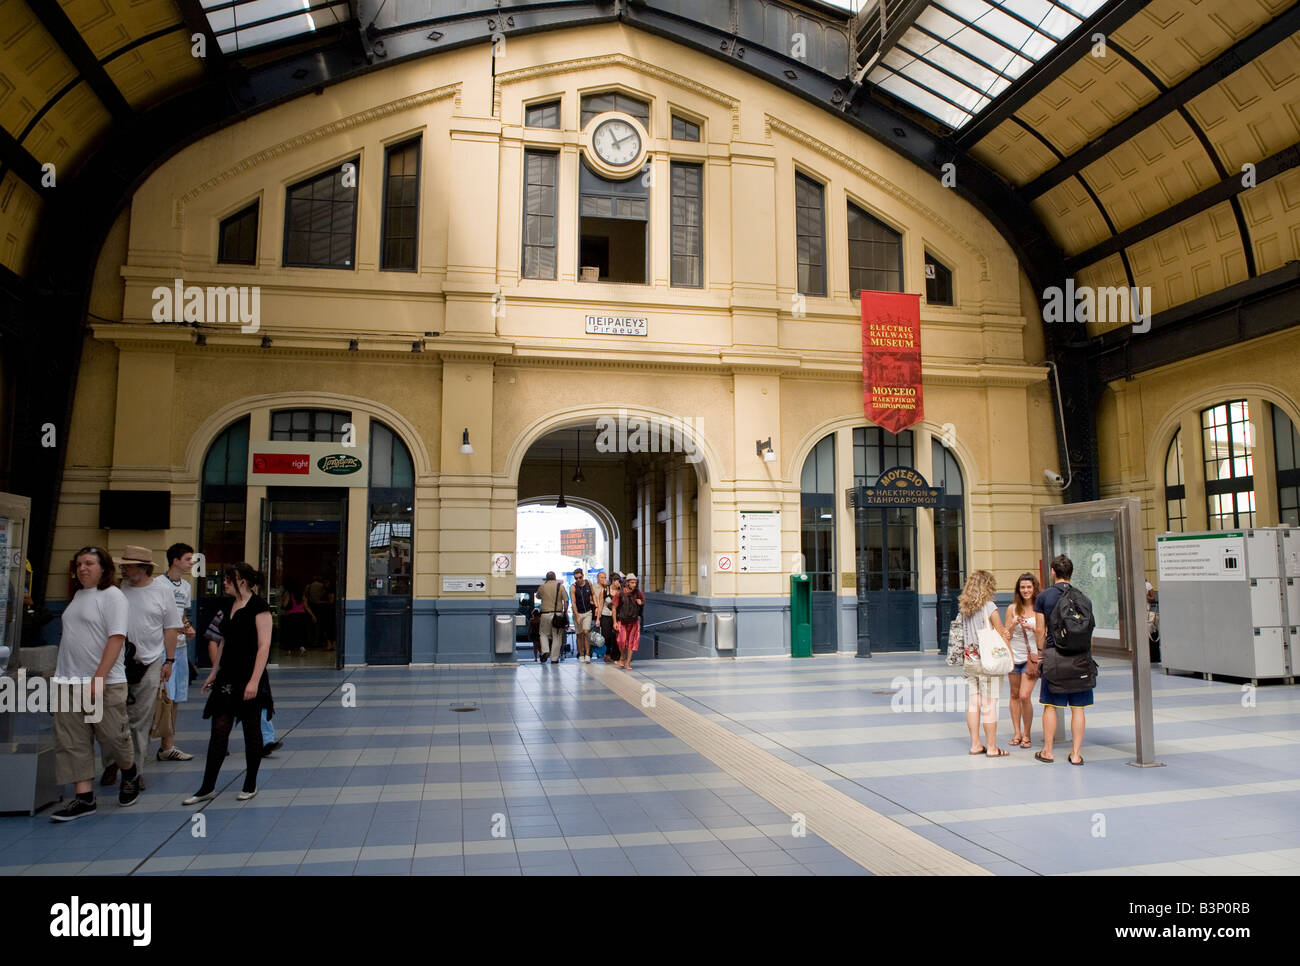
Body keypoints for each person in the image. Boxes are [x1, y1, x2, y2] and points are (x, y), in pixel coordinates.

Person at [49, 548, 140, 820]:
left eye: (89, 563)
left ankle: (130, 772)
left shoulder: (113, 597)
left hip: (104, 681)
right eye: (79, 564)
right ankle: (84, 797)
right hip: (69, 680)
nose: (82, 568)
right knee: (72, 741)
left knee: (113, 735)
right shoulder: (77, 596)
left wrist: (99, 676)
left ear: (104, 568)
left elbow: (116, 638)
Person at [185, 563, 273, 804]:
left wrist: (254, 681)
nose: (223, 582)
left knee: (251, 731)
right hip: (227, 677)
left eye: (228, 578)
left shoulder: (259, 607)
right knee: (218, 730)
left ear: (241, 581)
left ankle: (250, 783)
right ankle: (207, 787)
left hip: (249, 675)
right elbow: (224, 640)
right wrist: (214, 671)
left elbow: (264, 646)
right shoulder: (228, 605)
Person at [102, 545, 182, 793]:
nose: (124, 569)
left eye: (129, 565)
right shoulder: (114, 589)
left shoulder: (162, 591)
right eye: (123, 565)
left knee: (140, 720)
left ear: (144, 567)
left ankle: (134, 770)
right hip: (116, 662)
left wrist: (169, 660)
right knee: (111, 717)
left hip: (149, 661)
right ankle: (112, 762)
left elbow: (171, 627)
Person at [1034, 554, 1092, 765]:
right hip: (1079, 657)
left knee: (1050, 706)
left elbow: (1040, 629)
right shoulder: (1083, 597)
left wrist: (1041, 653)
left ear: (1053, 572)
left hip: (1054, 656)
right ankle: (1076, 754)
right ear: (1071, 573)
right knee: (1078, 708)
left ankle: (1047, 751)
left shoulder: (1044, 597)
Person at [206, 605, 281, 757]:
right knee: (226, 708)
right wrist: (218, 671)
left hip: (251, 670)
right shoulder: (224, 612)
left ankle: (266, 741)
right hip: (230, 672)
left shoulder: (258, 613)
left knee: (259, 704)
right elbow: (213, 642)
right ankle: (221, 742)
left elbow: (263, 645)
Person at [958, 569, 1011, 758]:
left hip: (970, 660)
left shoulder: (964, 608)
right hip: (988, 661)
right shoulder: (989, 606)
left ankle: (975, 744)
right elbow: (1002, 633)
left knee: (974, 702)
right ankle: (992, 748)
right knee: (989, 704)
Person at [154, 543, 197, 762]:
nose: (191, 563)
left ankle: (167, 745)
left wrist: (187, 627)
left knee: (177, 696)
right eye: (188, 559)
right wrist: (177, 628)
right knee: (164, 696)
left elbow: (182, 615)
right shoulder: (158, 585)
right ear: (175, 560)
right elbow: (157, 618)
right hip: (163, 649)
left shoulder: (186, 587)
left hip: (180, 649)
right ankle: (161, 743)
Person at [1004, 572, 1045, 749]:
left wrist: (1032, 627)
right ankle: (1017, 733)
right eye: (1022, 587)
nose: (1026, 590)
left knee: (1024, 695)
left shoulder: (1040, 609)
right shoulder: (1012, 609)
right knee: (1013, 695)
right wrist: (1012, 625)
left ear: (1034, 588)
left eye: (1029, 587)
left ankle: (1027, 734)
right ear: (1018, 590)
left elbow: (1044, 634)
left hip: (1032, 658)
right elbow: (1006, 635)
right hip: (1014, 657)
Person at [613, 573, 645, 669]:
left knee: (632, 642)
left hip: (634, 621)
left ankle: (628, 662)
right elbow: (614, 608)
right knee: (621, 640)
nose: (634, 584)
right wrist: (614, 622)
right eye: (632, 582)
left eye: (635, 582)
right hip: (622, 621)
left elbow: (643, 601)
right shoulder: (620, 593)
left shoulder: (638, 592)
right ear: (627, 583)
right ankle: (622, 658)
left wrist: (641, 602)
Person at [537, 571, 569, 664]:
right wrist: (565, 611)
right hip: (558, 614)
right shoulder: (560, 586)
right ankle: (554, 659)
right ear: (555, 578)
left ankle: (545, 650)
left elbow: (538, 596)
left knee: (543, 634)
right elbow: (566, 601)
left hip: (545, 614)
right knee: (557, 636)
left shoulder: (542, 586)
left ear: (546, 578)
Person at [279, 578, 314, 655]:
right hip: (302, 615)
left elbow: (285, 604)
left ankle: (289, 650)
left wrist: (282, 603)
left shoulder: (289, 593)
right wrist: (313, 615)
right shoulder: (302, 594)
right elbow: (306, 606)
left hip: (291, 616)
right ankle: (302, 648)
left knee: (290, 633)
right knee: (300, 632)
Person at [571, 568, 596, 663]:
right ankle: (581, 654)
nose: (578, 580)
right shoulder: (573, 587)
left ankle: (587, 654)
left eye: (579, 577)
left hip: (587, 612)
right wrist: (576, 615)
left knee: (586, 632)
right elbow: (573, 602)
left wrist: (596, 605)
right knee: (579, 634)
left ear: (583, 576)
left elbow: (593, 594)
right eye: (576, 578)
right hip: (578, 612)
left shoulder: (588, 583)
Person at [594, 571, 619, 664]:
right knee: (607, 636)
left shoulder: (619, 592)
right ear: (612, 581)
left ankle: (615, 656)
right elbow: (600, 605)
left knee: (616, 636)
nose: (618, 583)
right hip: (605, 616)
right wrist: (598, 619)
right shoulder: (604, 591)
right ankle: (607, 654)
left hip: (616, 617)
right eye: (617, 581)